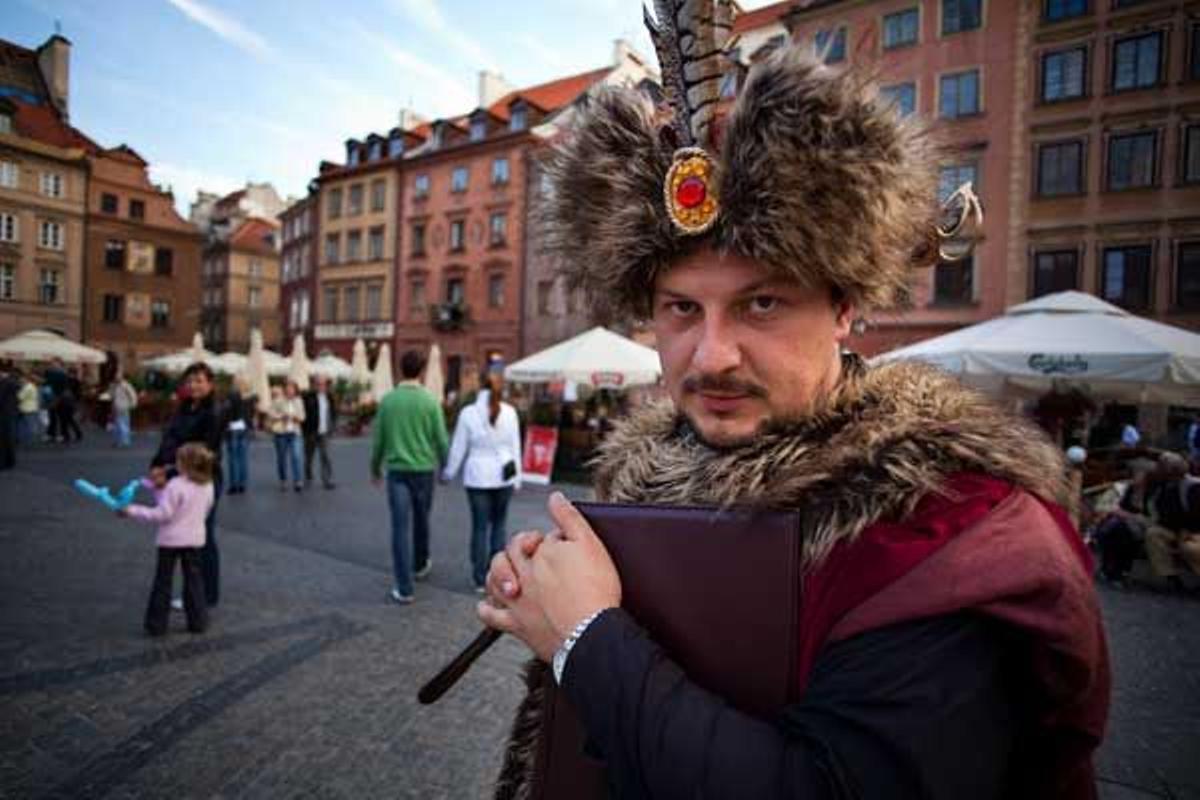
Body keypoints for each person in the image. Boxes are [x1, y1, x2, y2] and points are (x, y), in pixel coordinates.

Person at [476, 27, 1109, 800]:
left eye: (762, 303)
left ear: (844, 308)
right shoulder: (645, 475)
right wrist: (553, 590)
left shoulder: (944, 523)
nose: (710, 356)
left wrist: (585, 639)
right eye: (681, 308)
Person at [371, 349, 448, 604]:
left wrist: (374, 469)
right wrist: (446, 465)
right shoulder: (429, 401)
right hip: (425, 470)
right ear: (422, 370)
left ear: (400, 368)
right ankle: (420, 563)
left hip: (397, 473)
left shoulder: (388, 401)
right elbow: (441, 438)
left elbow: (378, 440)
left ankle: (404, 588)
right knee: (422, 520)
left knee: (400, 528)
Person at [121, 442, 215, 636]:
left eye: (178, 460)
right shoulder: (208, 484)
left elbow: (162, 513)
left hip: (170, 541)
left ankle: (157, 624)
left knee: (163, 581)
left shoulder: (175, 485)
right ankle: (198, 621)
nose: (174, 463)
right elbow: (205, 510)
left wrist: (132, 510)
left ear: (186, 464)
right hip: (195, 539)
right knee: (195, 581)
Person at [443, 367, 523, 593]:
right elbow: (516, 446)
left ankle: (480, 578)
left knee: (479, 528)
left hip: (477, 476)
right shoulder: (510, 412)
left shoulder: (468, 413)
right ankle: (495, 576)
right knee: (499, 527)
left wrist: (449, 473)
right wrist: (517, 478)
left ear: (480, 385)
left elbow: (459, 447)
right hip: (504, 476)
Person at [151, 361, 224, 607]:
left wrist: (169, 470)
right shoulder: (184, 408)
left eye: (199, 381)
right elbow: (169, 440)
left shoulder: (214, 412)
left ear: (210, 384)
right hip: (178, 478)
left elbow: (205, 452)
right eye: (190, 380)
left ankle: (204, 595)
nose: (193, 385)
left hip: (202, 480)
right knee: (184, 535)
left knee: (201, 537)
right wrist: (156, 464)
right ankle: (195, 592)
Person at [1144, 452, 1200, 591]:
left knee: (1189, 548)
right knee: (1153, 534)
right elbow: (1162, 512)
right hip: (1176, 529)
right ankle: (1171, 577)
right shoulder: (1163, 486)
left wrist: (1186, 531)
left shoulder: (1194, 487)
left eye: (1161, 467)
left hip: (1195, 531)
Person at [268, 382, 305, 492]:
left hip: (295, 432)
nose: (290, 391)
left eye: (292, 389)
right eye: (288, 389)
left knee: (296, 457)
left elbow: (303, 416)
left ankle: (298, 481)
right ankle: (283, 480)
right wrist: (281, 416)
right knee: (281, 458)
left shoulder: (299, 401)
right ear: (285, 390)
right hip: (281, 433)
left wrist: (296, 417)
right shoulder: (278, 401)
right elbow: (270, 413)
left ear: (295, 390)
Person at [302, 374, 337, 489]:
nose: (321, 386)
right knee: (309, 456)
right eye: (318, 384)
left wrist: (332, 426)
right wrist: (304, 429)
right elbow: (303, 414)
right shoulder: (307, 397)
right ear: (314, 385)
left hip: (324, 432)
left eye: (323, 384)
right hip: (311, 431)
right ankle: (308, 477)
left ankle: (327, 480)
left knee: (326, 455)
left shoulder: (330, 397)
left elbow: (333, 413)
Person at [224, 376, 254, 495]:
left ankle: (233, 485)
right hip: (245, 428)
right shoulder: (251, 397)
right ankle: (242, 484)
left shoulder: (232, 395)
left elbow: (228, 412)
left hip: (233, 428)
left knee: (233, 458)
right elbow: (251, 414)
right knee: (243, 458)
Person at [109, 373, 138, 448]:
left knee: (122, 425)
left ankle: (124, 441)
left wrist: (132, 405)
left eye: (118, 378)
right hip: (118, 407)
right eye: (116, 378)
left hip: (123, 407)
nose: (116, 379)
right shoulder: (115, 386)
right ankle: (119, 441)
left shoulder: (125, 386)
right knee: (118, 425)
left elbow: (132, 395)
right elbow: (112, 396)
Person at [0, 363, 18, 470]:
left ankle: (3, 462)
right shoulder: (13, 382)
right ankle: (10, 461)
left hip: (3, 414)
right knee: (8, 438)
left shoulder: (4, 383)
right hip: (10, 413)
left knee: (2, 439)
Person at [17, 372, 40, 445]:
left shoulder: (27, 387)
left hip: (27, 408)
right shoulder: (32, 386)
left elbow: (20, 397)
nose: (20, 380)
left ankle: (30, 440)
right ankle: (30, 439)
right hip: (32, 407)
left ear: (26, 379)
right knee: (30, 424)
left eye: (22, 379)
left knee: (28, 424)